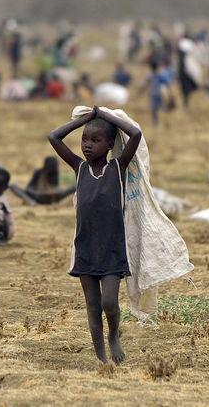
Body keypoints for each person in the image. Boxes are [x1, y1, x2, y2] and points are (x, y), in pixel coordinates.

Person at [48, 105, 142, 365]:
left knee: (109, 303)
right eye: (85, 140)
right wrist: (86, 120)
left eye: (95, 140)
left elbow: (135, 134)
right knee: (92, 305)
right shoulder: (79, 168)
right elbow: (53, 137)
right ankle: (101, 357)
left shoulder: (117, 168)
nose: (87, 145)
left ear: (110, 144)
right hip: (86, 247)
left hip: (112, 249)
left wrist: (106, 116)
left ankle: (113, 335)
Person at [9, 156, 77, 205]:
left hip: (54, 197)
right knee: (12, 186)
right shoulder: (38, 172)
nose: (52, 168)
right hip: (37, 197)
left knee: (76, 186)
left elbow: (56, 187)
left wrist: (54, 193)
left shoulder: (55, 172)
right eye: (51, 166)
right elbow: (29, 188)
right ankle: (31, 202)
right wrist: (36, 193)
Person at [145, 61, 172, 126]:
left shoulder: (158, 76)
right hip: (156, 94)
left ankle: (163, 122)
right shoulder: (154, 76)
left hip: (158, 94)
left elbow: (145, 85)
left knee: (159, 109)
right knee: (156, 109)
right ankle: (157, 123)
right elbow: (167, 84)